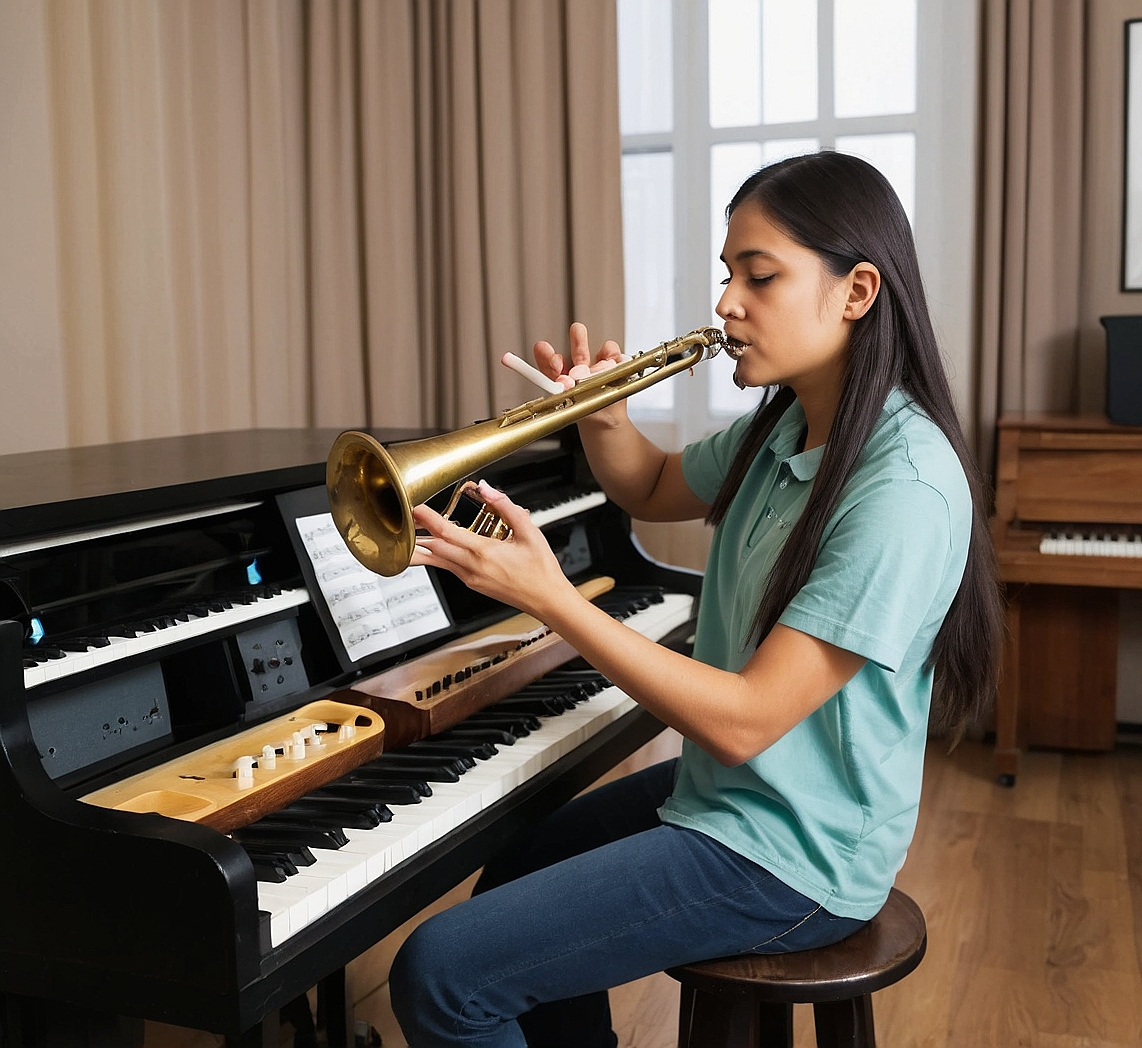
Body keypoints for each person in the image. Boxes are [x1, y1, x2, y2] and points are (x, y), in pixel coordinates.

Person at [389, 151, 1001, 1047]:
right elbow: (651, 486)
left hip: (797, 852)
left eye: (760, 277)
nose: (725, 305)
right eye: (727, 276)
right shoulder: (788, 418)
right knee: (513, 872)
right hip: (739, 795)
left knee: (441, 974)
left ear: (857, 291)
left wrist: (552, 598)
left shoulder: (905, 485)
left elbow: (749, 719)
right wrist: (602, 414)